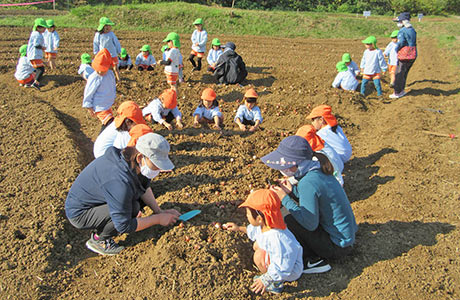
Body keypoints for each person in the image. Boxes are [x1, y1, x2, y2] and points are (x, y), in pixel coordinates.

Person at [65, 133, 181, 255]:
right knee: (130, 211)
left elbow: (144, 187)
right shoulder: (119, 180)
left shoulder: (132, 161)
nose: (158, 169)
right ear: (140, 157)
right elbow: (123, 225)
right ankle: (99, 240)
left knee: (134, 206)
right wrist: (157, 219)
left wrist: (159, 211)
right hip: (80, 212)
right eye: (156, 164)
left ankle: (113, 219)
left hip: (101, 198)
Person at [261, 136, 357, 273]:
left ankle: (312, 261)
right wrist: (291, 191)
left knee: (289, 219)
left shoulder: (307, 183)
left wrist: (284, 198)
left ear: (294, 164)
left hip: (337, 247)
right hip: (346, 238)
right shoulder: (318, 171)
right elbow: (315, 198)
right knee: (292, 214)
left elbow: (309, 224)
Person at [224, 189, 303, 294]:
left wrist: (265, 279)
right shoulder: (266, 224)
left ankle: (276, 283)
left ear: (259, 218)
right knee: (257, 245)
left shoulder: (277, 237)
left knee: (258, 256)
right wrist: (238, 228)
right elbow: (253, 231)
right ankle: (271, 274)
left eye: (248, 214)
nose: (246, 216)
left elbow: (283, 264)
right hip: (282, 260)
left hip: (289, 269)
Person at [82, 48, 116, 130]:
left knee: (107, 125)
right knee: (110, 123)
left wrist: (113, 98)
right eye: (98, 69)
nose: (100, 72)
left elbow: (112, 88)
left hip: (107, 104)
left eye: (103, 70)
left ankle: (104, 139)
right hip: (99, 106)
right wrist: (88, 106)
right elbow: (88, 92)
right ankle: (101, 141)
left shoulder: (110, 74)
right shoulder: (94, 77)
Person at [390, 12, 417, 99]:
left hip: (404, 55)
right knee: (405, 73)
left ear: (402, 21)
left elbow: (401, 42)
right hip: (413, 53)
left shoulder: (402, 31)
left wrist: (396, 49)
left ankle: (397, 92)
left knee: (399, 73)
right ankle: (402, 89)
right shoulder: (412, 30)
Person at [93, 17, 121, 81]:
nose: (109, 27)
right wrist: (96, 53)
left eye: (109, 26)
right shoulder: (98, 35)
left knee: (115, 68)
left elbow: (116, 42)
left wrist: (118, 50)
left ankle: (119, 80)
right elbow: (96, 44)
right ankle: (104, 80)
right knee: (104, 68)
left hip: (112, 54)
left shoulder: (111, 34)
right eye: (107, 26)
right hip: (103, 55)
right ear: (103, 27)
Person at [27, 18, 49, 90]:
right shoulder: (37, 35)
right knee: (41, 69)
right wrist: (43, 48)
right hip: (35, 54)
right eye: (43, 28)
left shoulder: (35, 33)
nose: (44, 29)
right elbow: (36, 45)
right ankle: (35, 83)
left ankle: (32, 82)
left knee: (37, 69)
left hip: (33, 54)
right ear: (38, 27)